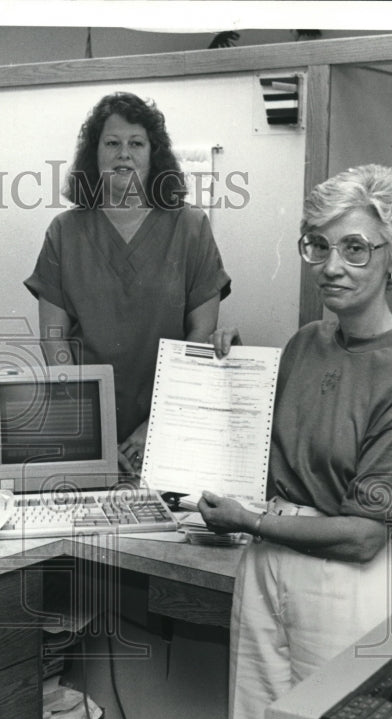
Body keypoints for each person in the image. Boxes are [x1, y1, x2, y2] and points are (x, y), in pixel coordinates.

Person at [199, 165, 392, 719]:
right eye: (319, 245)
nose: (332, 266)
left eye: (355, 249)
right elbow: (275, 461)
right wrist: (231, 376)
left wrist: (250, 523)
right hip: (267, 570)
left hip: (351, 589)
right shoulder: (303, 344)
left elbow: (365, 537)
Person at [24, 91, 231, 475]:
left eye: (136, 143)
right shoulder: (65, 232)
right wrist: (93, 428)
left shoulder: (191, 227)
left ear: (155, 155)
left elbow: (202, 333)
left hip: (171, 424)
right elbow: (53, 337)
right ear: (94, 154)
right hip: (85, 426)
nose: (124, 154)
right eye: (112, 143)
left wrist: (158, 422)